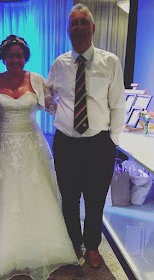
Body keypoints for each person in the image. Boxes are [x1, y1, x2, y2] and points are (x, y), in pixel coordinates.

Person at [0, 35, 78, 280]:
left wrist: (80, 120)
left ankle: (42, 246)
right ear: (4, 58)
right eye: (11, 55)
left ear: (25, 57)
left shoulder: (37, 80)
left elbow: (55, 109)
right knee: (2, 196)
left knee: (35, 196)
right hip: (3, 146)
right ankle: (2, 250)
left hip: (31, 144)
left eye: (19, 55)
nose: (15, 59)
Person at [47, 4, 126, 269]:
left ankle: (92, 246)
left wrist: (113, 141)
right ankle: (73, 243)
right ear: (68, 30)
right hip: (66, 143)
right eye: (74, 24)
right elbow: (49, 96)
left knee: (95, 199)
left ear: (93, 27)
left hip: (98, 143)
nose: (79, 27)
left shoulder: (110, 61)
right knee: (68, 198)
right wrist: (58, 113)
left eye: (83, 22)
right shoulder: (59, 63)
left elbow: (118, 104)